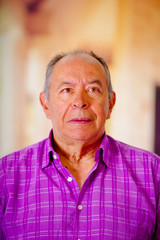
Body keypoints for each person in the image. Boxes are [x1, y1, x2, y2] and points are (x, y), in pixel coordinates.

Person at [0, 50, 160, 240]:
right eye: (67, 90)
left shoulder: (153, 173)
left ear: (111, 103)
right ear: (45, 104)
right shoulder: (6, 176)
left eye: (93, 89)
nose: (80, 102)